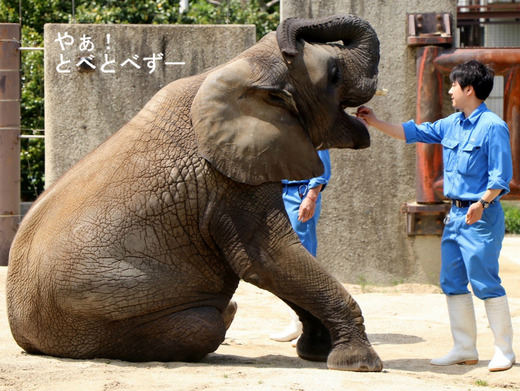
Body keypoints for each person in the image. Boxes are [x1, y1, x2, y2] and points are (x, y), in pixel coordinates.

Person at [356, 60, 515, 372]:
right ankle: (464, 348)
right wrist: (374, 121)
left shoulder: (493, 127)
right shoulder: (452, 124)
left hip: (480, 216)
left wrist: (481, 203)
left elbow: (500, 178)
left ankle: (504, 350)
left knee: (485, 282)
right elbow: (413, 132)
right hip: (454, 216)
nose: (450, 90)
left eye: (455, 85)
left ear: (470, 89)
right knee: (452, 281)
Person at [270, 149, 331, 343]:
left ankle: (311, 326)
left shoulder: (313, 128)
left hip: (302, 193)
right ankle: (296, 323)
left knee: (303, 260)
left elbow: (322, 169)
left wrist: (311, 197)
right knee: (287, 261)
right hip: (282, 192)